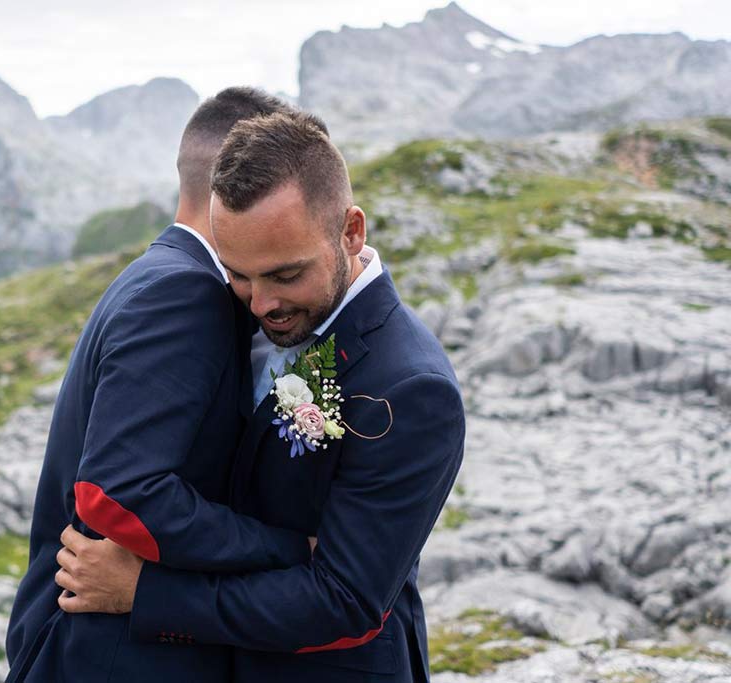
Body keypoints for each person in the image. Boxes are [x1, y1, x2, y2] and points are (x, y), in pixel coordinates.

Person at [56, 112, 466, 683]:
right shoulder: (241, 319)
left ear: (351, 232)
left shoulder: (411, 387)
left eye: (285, 274)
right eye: (240, 275)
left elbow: (345, 602)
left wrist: (147, 594)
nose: (261, 303)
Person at [4, 89, 328, 683]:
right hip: (109, 656)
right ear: (236, 184)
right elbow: (122, 491)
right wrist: (288, 551)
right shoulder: (184, 294)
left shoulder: (159, 275)